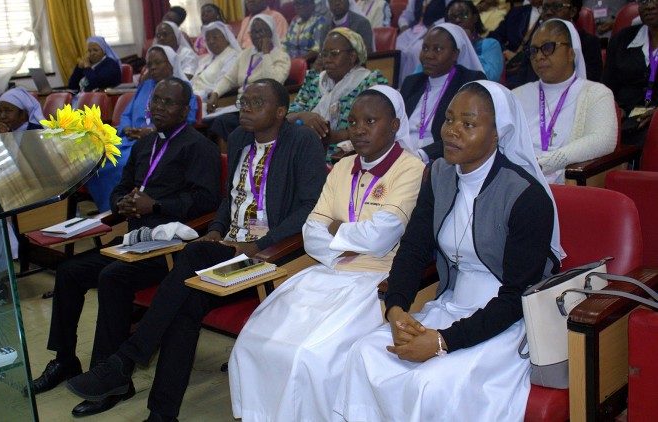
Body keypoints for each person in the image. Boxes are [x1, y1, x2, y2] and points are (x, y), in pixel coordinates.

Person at [65, 79, 327, 422]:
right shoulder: (238, 140)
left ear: (281, 112)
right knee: (185, 305)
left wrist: (257, 245)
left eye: (256, 103)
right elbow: (228, 200)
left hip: (268, 257)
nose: (245, 108)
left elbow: (309, 208)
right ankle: (161, 414)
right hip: (227, 250)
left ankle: (125, 360)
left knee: (193, 258)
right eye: (244, 101)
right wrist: (216, 230)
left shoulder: (300, 141)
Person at [333, 80, 563, 421]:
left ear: (498, 133)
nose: (452, 131)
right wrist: (396, 308)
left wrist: (443, 341)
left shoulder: (526, 196)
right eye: (449, 119)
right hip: (450, 303)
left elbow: (517, 297)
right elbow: (414, 248)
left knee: (431, 382)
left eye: (468, 124)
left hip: (506, 320)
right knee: (364, 353)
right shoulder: (439, 174)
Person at [229, 85, 425, 421]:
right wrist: (344, 238)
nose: (358, 129)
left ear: (394, 125)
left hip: (373, 282)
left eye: (370, 121)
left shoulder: (412, 169)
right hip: (327, 272)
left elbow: (380, 238)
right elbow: (309, 232)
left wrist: (335, 229)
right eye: (352, 121)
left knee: (310, 355)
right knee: (255, 340)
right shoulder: (342, 166)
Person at [30, 78, 221, 417]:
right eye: (156, 101)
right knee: (70, 271)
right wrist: (125, 204)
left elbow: (206, 200)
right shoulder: (147, 144)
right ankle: (65, 359)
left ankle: (113, 379)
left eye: (169, 103)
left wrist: (156, 205)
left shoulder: (199, 146)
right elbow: (122, 188)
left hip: (170, 247)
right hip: (133, 241)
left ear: (185, 109)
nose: (159, 107)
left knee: (113, 277)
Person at [86, 44, 199, 213]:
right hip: (130, 139)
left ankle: (124, 206)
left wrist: (151, 130)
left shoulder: (182, 88)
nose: (151, 68)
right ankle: (111, 206)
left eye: (157, 63)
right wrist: (126, 129)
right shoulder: (145, 86)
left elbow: (187, 118)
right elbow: (125, 115)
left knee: (122, 164)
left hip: (158, 142)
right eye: (149, 63)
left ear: (170, 63)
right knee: (93, 159)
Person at [513, 19, 617, 184]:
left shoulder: (596, 93)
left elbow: (603, 140)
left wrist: (546, 163)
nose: (539, 56)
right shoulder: (516, 95)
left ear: (571, 53)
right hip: (517, 179)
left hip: (565, 182)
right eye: (534, 51)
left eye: (548, 48)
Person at [287, 28, 389, 156]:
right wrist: (302, 116)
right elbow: (287, 116)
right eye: (324, 54)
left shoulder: (370, 82)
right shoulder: (314, 81)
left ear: (352, 56)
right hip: (304, 150)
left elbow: (375, 127)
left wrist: (329, 135)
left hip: (344, 155)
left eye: (334, 53)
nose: (327, 59)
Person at [400, 23, 487, 163]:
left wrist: (422, 154)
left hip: (441, 160)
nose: (428, 55)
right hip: (402, 157)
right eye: (425, 48)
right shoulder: (411, 83)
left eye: (438, 49)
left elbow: (463, 133)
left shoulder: (469, 82)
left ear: (455, 54)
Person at [206, 14, 291, 141]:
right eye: (254, 32)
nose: (257, 35)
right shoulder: (245, 54)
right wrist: (215, 93)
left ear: (271, 33)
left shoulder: (281, 56)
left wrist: (266, 54)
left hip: (262, 107)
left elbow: (274, 82)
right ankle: (229, 157)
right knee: (216, 121)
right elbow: (229, 78)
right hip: (241, 105)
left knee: (224, 122)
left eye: (261, 31)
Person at [602, 0, 658, 146]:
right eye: (644, 1)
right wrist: (614, 108)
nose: (650, 5)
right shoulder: (621, 39)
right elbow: (607, 87)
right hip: (625, 118)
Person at [488, 0, 543, 87]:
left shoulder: (553, 13)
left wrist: (522, 58)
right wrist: (505, 51)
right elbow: (495, 36)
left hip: (534, 71)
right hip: (508, 68)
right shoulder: (516, 12)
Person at [446, 0, 504, 81]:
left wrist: (467, 45)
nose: (458, 20)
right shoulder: (443, 48)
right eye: (452, 18)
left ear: (475, 18)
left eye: (464, 15)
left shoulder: (490, 44)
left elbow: (490, 78)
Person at [395, 0, 448, 80]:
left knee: (417, 49)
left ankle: (417, 81)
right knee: (399, 46)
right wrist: (403, 26)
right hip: (414, 30)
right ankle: (400, 84)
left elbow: (449, 16)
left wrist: (435, 26)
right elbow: (406, 15)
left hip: (435, 32)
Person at [191, 22, 242, 100]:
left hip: (213, 99)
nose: (211, 41)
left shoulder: (232, 56)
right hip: (195, 95)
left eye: (215, 37)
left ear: (226, 38)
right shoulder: (206, 59)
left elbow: (222, 84)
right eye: (208, 39)